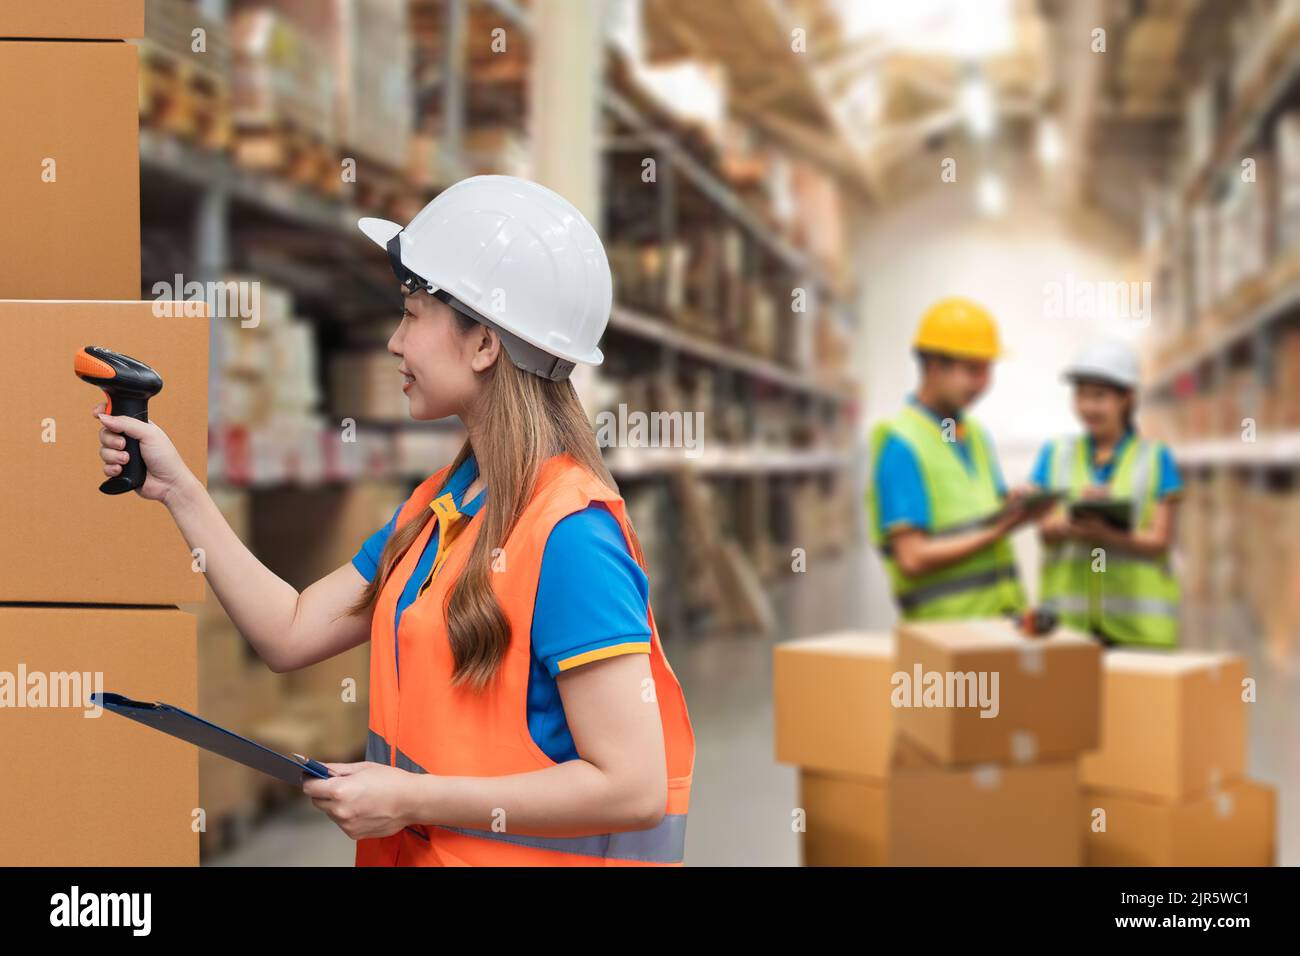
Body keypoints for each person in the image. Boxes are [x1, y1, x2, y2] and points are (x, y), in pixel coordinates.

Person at [91, 175, 695, 866]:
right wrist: (179, 490)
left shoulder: (572, 536)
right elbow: (289, 631)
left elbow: (634, 786)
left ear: (484, 346)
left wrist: (411, 798)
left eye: (412, 314)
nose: (393, 344)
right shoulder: (442, 506)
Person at [868, 298, 1051, 620]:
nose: (984, 384)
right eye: (972, 370)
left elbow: (977, 508)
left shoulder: (973, 434)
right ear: (935, 367)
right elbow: (912, 557)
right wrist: (999, 531)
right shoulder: (903, 445)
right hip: (944, 633)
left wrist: (1015, 503)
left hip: (1000, 621)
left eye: (988, 370)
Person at [1030, 338, 1182, 647]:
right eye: (1081, 395)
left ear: (1126, 398)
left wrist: (1107, 534)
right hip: (1068, 629)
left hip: (1137, 631)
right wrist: (1071, 521)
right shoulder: (1055, 453)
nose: (1087, 407)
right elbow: (1044, 532)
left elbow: (1160, 541)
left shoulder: (1156, 459)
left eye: (1099, 396)